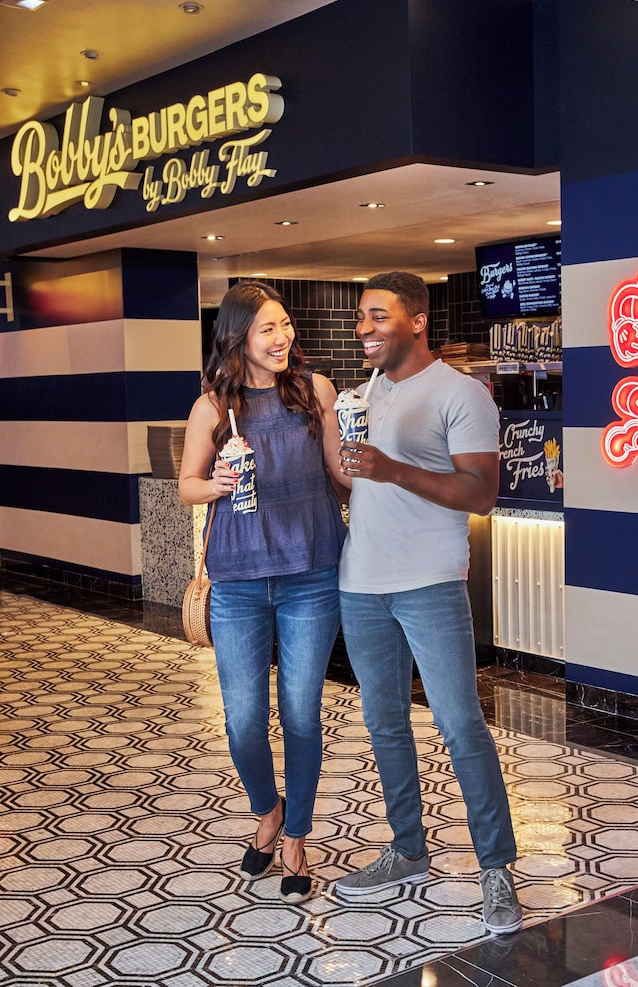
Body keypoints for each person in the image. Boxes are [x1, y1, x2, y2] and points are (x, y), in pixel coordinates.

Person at [334, 271, 522, 935]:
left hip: (431, 581)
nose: (364, 328)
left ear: (417, 320)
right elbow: (354, 483)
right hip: (360, 583)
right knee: (384, 722)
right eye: (361, 318)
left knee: (460, 724)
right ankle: (408, 849)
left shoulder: (460, 393)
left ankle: (496, 869)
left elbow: (480, 493)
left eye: (378, 316)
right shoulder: (363, 395)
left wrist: (392, 469)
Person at [179, 281, 346, 905]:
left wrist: (378, 464)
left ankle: (295, 836)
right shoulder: (212, 408)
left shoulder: (315, 391)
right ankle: (267, 808)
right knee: (243, 720)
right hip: (239, 583)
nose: (283, 338)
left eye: (285, 325)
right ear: (238, 337)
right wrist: (218, 481)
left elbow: (339, 474)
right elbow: (187, 486)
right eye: (267, 328)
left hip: (311, 575)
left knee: (302, 713)